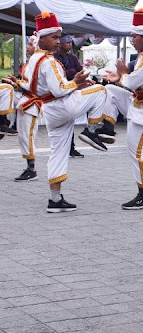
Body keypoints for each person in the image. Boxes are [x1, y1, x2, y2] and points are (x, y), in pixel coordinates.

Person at [20, 11, 108, 212]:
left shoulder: (32, 61)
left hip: (49, 111)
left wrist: (76, 84)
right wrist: (77, 82)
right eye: (54, 37)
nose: (58, 42)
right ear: (41, 39)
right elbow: (59, 90)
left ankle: (55, 199)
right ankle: (92, 131)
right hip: (62, 106)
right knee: (101, 90)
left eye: (59, 37)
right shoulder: (49, 61)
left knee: (58, 153)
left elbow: (35, 85)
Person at [102, 0, 143, 209]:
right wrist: (118, 77)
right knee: (109, 90)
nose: (133, 40)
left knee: (136, 153)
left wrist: (121, 74)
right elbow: (129, 82)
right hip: (138, 104)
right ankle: (106, 128)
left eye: (135, 36)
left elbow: (131, 81)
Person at [5, 36, 41, 181]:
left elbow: (35, 86)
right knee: (23, 137)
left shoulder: (39, 64)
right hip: (25, 101)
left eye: (30, 44)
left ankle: (31, 169)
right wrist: (16, 83)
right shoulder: (30, 64)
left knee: (28, 137)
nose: (27, 47)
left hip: (32, 103)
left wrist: (17, 83)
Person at [54, 34, 85, 159]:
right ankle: (60, 147)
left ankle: (71, 147)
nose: (69, 45)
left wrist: (69, 73)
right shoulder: (54, 58)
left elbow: (80, 70)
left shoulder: (72, 57)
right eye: (67, 42)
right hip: (59, 91)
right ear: (60, 44)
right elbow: (58, 74)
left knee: (70, 119)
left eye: (70, 42)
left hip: (71, 89)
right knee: (60, 121)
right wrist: (71, 72)